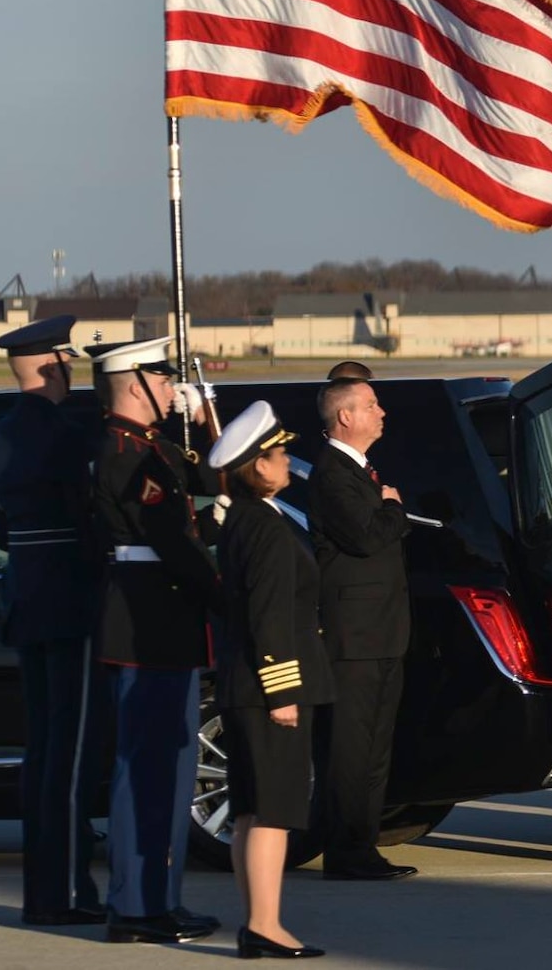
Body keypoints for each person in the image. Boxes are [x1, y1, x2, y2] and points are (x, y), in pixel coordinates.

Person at [89, 336, 222, 944]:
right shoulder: (122, 453)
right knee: (145, 770)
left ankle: (158, 900)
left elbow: (218, 474)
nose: (173, 389)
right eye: (165, 380)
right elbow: (171, 539)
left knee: (171, 767)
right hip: (145, 623)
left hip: (168, 623)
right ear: (135, 383)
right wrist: (226, 589)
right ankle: (135, 906)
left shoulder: (153, 448)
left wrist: (206, 414)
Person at [0, 315, 104, 927]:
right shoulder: (66, 433)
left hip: (24, 596)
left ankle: (43, 891)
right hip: (68, 596)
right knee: (73, 753)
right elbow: (94, 515)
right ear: (55, 365)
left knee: (42, 752)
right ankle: (67, 893)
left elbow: (3, 527)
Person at [208, 401, 329, 960]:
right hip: (268, 688)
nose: (286, 462)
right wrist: (283, 690)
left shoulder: (248, 519)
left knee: (252, 810)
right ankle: (264, 923)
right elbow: (270, 614)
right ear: (258, 466)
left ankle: (258, 921)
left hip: (243, 684)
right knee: (273, 809)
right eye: (279, 454)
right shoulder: (265, 528)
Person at [308, 377, 416, 881]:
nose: (383, 412)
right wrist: (395, 506)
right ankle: (346, 849)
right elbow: (367, 537)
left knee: (375, 746)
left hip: (382, 631)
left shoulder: (361, 472)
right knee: (350, 749)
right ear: (345, 416)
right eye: (371, 405)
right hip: (354, 635)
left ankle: (363, 844)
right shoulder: (332, 474)